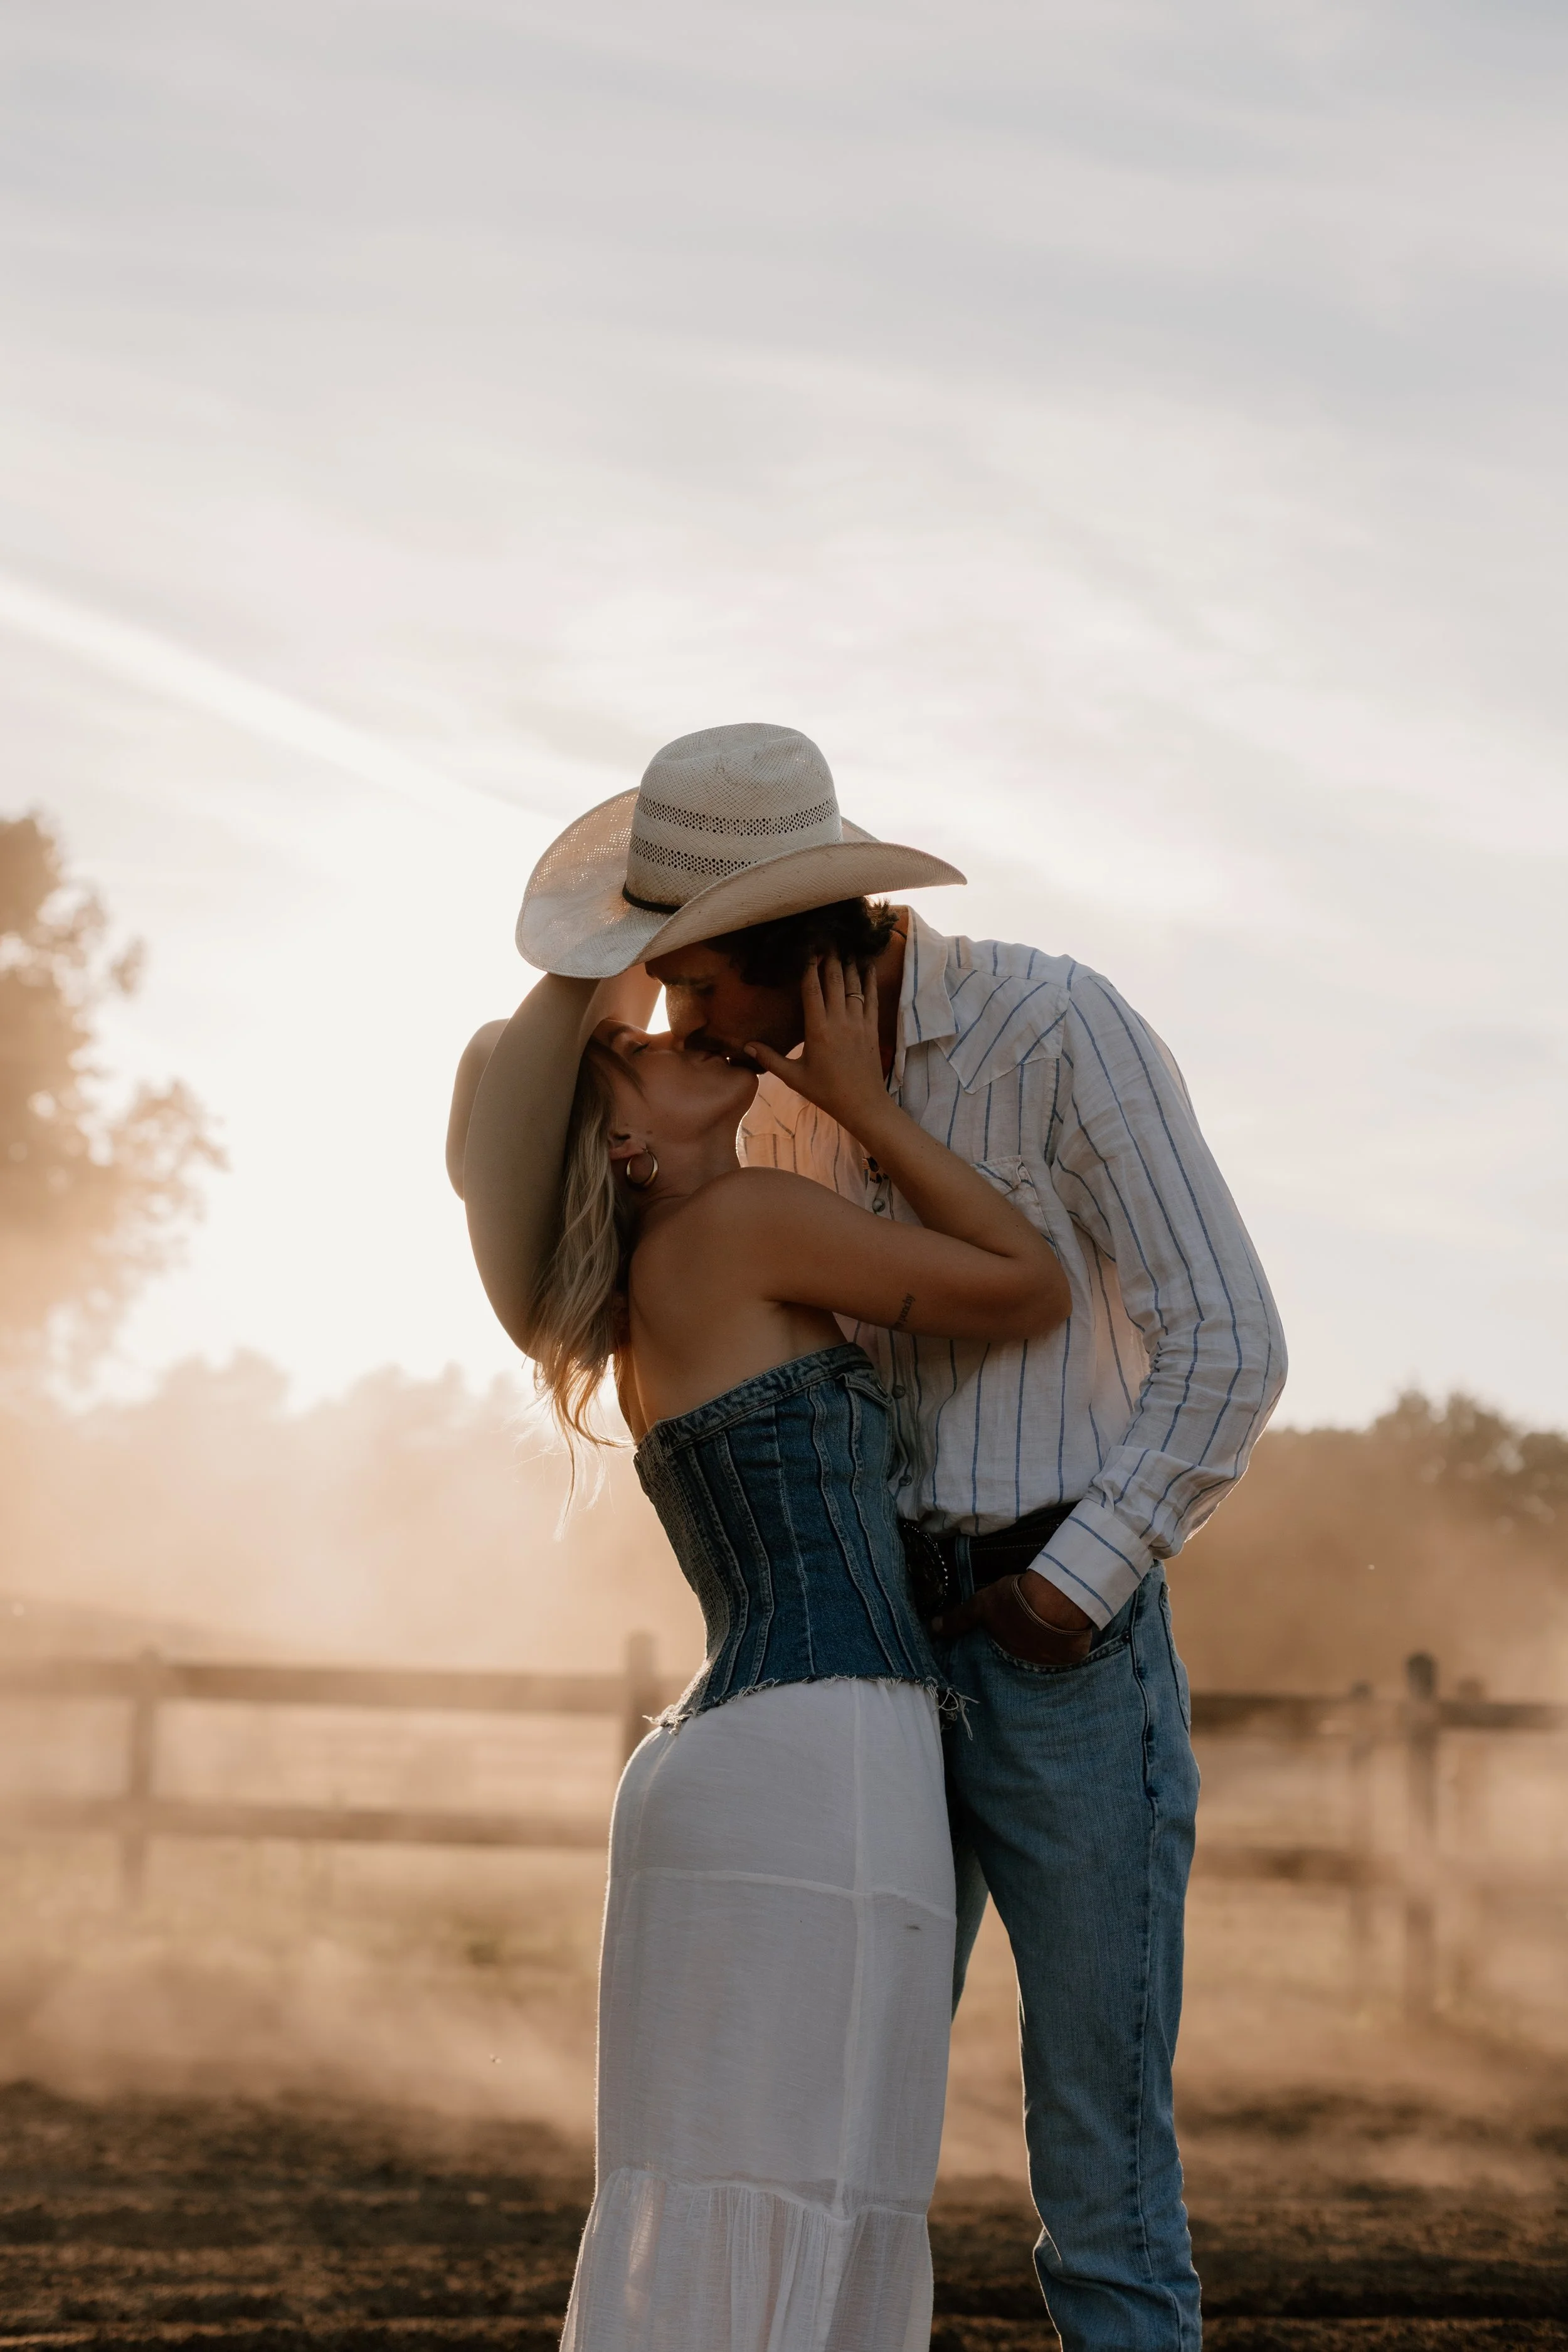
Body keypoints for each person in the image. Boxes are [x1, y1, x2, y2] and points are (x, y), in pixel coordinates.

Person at [479, 721, 1288, 2352]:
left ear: (791, 946)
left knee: (1099, 2169)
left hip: (1052, 1649)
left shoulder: (1055, 1026)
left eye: (698, 984)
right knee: (832, 2132)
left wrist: (1076, 1582)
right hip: (876, 1690)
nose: (683, 1016)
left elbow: (1227, 1336)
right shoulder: (764, 1112)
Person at [450, 766, 1071, 2349]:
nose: (676, 1034)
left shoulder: (660, 1284)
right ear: (633, 1151)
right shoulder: (739, 1232)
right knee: (822, 2179)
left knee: (720, 2186)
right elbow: (1025, 1287)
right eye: (634, 1061)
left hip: (727, 1756)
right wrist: (863, 1104)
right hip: (827, 1746)